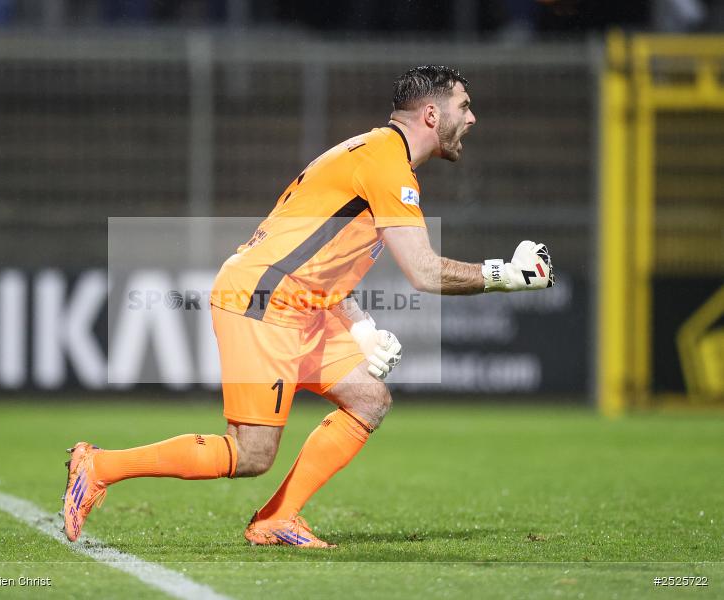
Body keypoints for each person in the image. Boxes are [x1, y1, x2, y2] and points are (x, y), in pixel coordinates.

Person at [61, 65, 553, 547]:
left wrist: (360, 326)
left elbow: (318, 257)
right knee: (252, 454)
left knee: (370, 398)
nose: (472, 118)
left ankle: (277, 519)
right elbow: (423, 272)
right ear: (430, 114)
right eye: (463, 106)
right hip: (265, 302)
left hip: (295, 301)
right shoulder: (386, 164)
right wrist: (505, 274)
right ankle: (99, 466)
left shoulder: (369, 152)